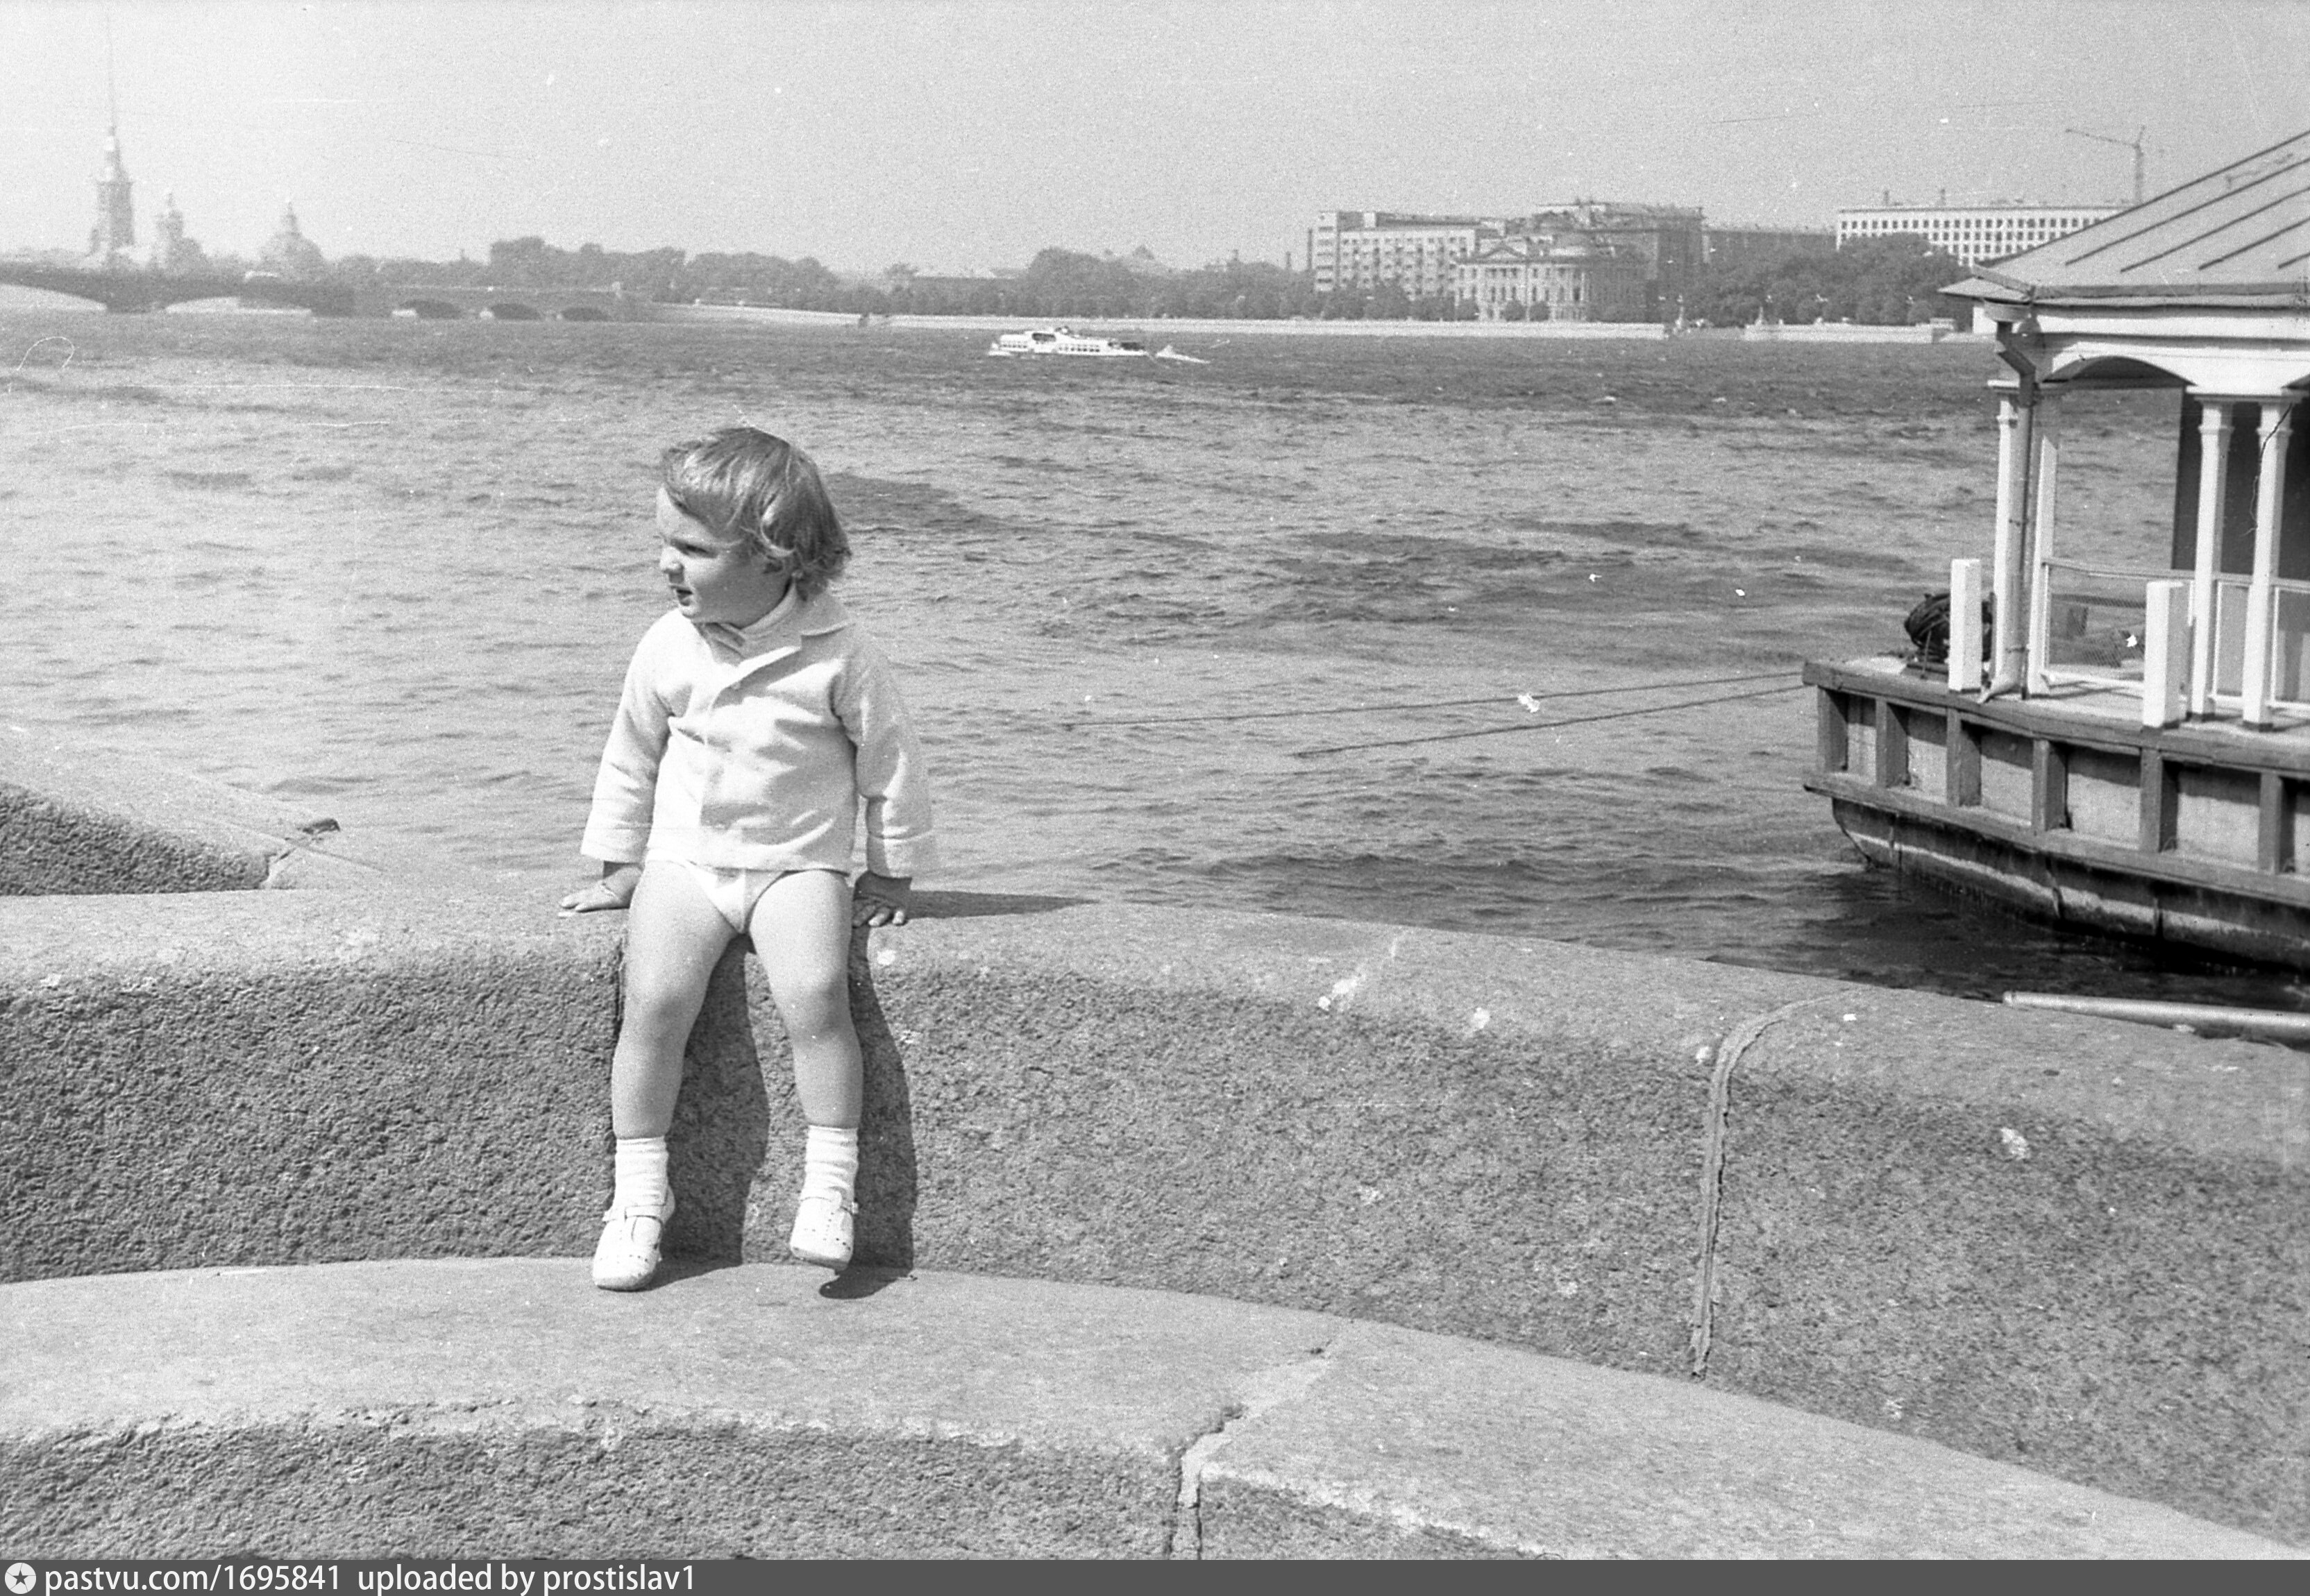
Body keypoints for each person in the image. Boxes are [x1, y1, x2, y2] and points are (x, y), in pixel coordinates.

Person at [560, 426, 935, 1291]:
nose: (666, 563)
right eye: (664, 542)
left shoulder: (840, 652)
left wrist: (890, 869)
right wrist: (618, 863)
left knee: (816, 995)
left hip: (796, 863)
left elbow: (891, 763)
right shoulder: (667, 643)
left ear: (775, 555)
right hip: (686, 861)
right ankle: (638, 1196)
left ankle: (829, 1186)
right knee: (654, 1002)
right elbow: (630, 756)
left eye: (693, 549)